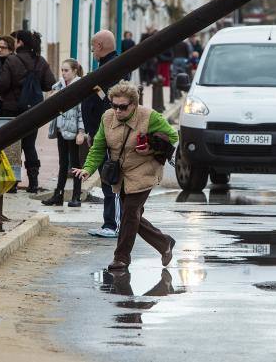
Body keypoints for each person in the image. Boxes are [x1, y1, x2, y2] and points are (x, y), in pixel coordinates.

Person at [73, 81, 179, 271]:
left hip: (144, 170)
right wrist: (88, 168)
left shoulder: (149, 116)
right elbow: (98, 147)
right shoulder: (107, 118)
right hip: (121, 174)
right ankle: (164, 243)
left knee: (129, 213)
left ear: (134, 105)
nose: (118, 111)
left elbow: (172, 136)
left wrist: (151, 147)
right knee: (133, 216)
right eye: (114, 106)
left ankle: (121, 258)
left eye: (123, 107)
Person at [0, 30, 56, 193]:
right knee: (30, 145)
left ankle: (12, 184)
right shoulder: (40, 61)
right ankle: (34, 183)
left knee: (13, 147)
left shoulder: (12, 60)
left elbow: (3, 84)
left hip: (12, 110)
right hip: (33, 111)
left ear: (20, 42)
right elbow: (50, 83)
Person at [82, 30, 127, 238]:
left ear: (99, 46)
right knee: (107, 179)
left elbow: (108, 103)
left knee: (112, 178)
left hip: (109, 134)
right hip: (100, 133)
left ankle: (114, 225)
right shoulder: (106, 66)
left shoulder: (115, 68)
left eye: (93, 46)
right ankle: (109, 223)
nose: (92, 50)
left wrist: (100, 132)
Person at [42, 59, 86, 208]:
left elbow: (82, 112)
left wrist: (81, 132)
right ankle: (58, 195)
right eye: (62, 70)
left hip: (74, 132)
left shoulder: (80, 87)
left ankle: (76, 196)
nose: (63, 73)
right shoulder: (60, 86)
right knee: (62, 163)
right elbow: (50, 104)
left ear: (74, 71)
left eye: (66, 70)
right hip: (61, 129)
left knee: (75, 164)